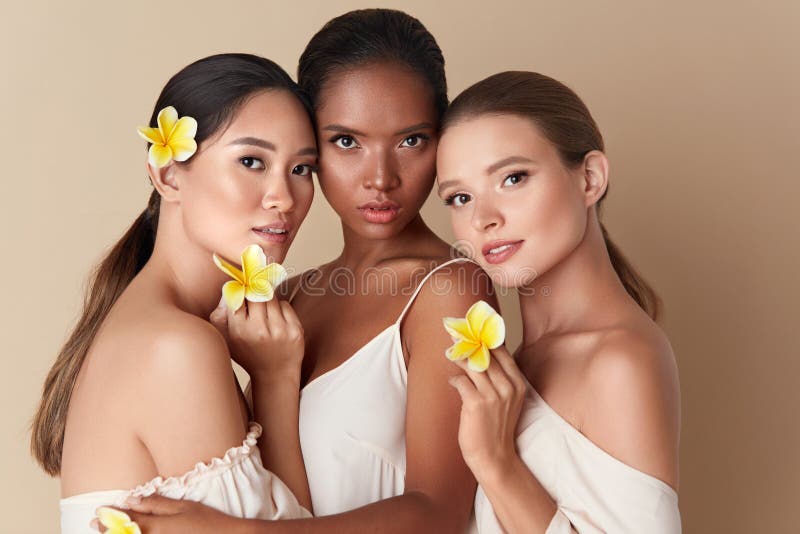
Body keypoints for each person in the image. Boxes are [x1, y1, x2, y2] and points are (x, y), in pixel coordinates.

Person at [106, 9, 489, 533]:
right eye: (347, 141)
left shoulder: (449, 289)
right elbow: (273, 493)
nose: (381, 178)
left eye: (411, 140)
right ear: (312, 146)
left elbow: (440, 513)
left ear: (441, 140)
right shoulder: (286, 299)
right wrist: (273, 377)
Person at [31, 53, 319, 533]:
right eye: (252, 161)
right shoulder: (177, 347)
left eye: (302, 169)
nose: (283, 198)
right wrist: (275, 381)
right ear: (167, 174)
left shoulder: (160, 325)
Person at [436, 71, 682, 533]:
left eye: (513, 177)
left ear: (590, 178)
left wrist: (496, 463)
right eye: (460, 197)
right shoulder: (509, 366)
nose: (482, 218)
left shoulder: (620, 359)